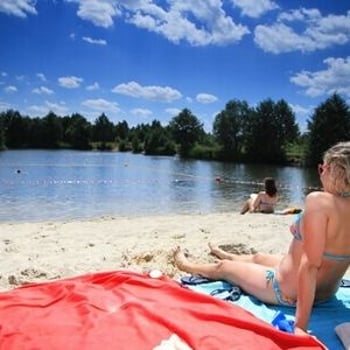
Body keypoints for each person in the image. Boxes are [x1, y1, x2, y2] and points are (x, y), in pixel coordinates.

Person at [174, 141, 350, 335]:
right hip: (326, 292)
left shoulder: (320, 202)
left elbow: (309, 266)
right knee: (259, 257)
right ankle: (222, 253)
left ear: (334, 170)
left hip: (287, 290)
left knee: (224, 269)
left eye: (322, 168)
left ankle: (187, 265)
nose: (320, 173)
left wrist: (300, 325)